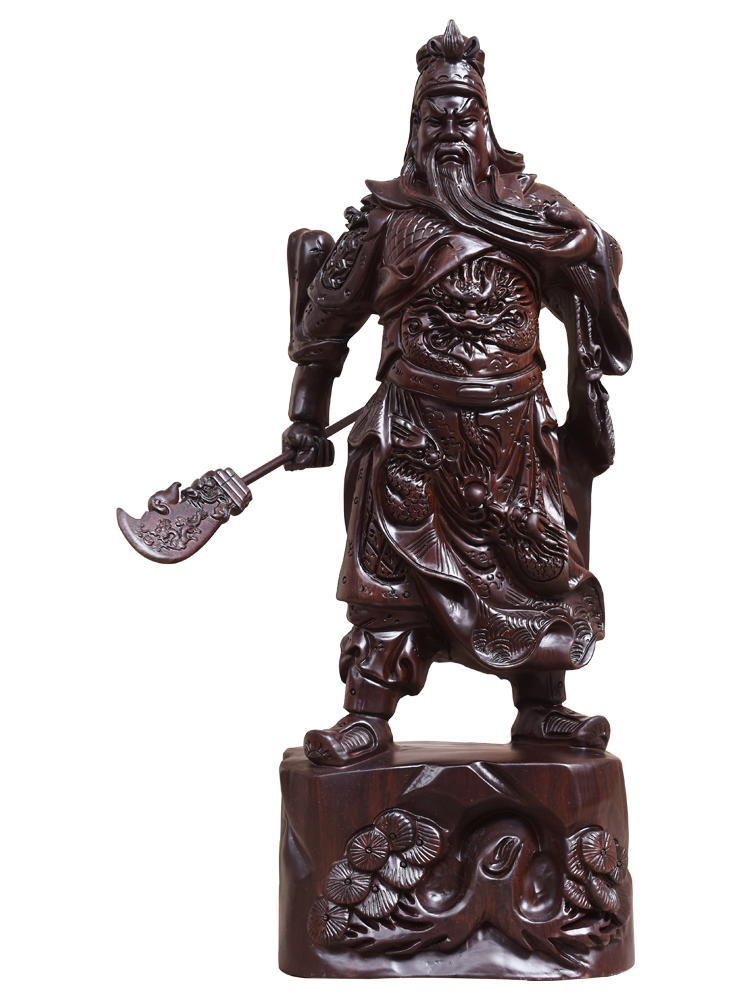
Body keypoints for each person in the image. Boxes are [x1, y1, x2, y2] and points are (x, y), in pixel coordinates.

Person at [281, 19, 632, 766]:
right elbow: (326, 323)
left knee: (540, 569)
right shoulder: (386, 220)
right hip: (412, 429)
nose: (449, 131)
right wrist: (306, 414)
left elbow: (589, 275)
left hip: (514, 433)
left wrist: (590, 251)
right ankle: (366, 713)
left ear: (486, 125)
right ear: (414, 129)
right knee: (388, 581)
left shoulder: (532, 210)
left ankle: (542, 707)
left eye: (463, 116)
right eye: (434, 117)